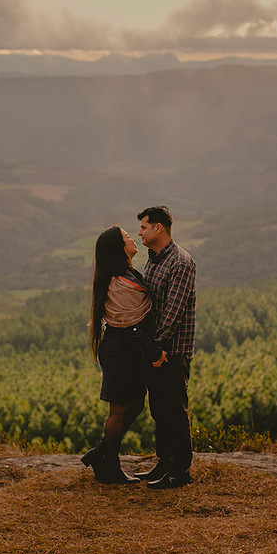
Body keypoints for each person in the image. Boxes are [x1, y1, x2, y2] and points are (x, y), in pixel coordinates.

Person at [82, 226, 166, 484]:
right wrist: (154, 351)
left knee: (136, 403)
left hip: (127, 350)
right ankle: (109, 466)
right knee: (118, 411)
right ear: (119, 247)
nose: (133, 238)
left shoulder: (126, 274)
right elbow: (130, 326)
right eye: (127, 236)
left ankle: (102, 453)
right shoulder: (119, 283)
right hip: (120, 351)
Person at [134, 205, 196, 489]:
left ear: (158, 228)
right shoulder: (154, 260)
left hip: (172, 351)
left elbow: (173, 313)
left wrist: (156, 348)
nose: (140, 233)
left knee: (174, 411)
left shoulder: (180, 262)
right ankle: (164, 462)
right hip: (156, 351)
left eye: (144, 227)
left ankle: (179, 471)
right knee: (159, 410)